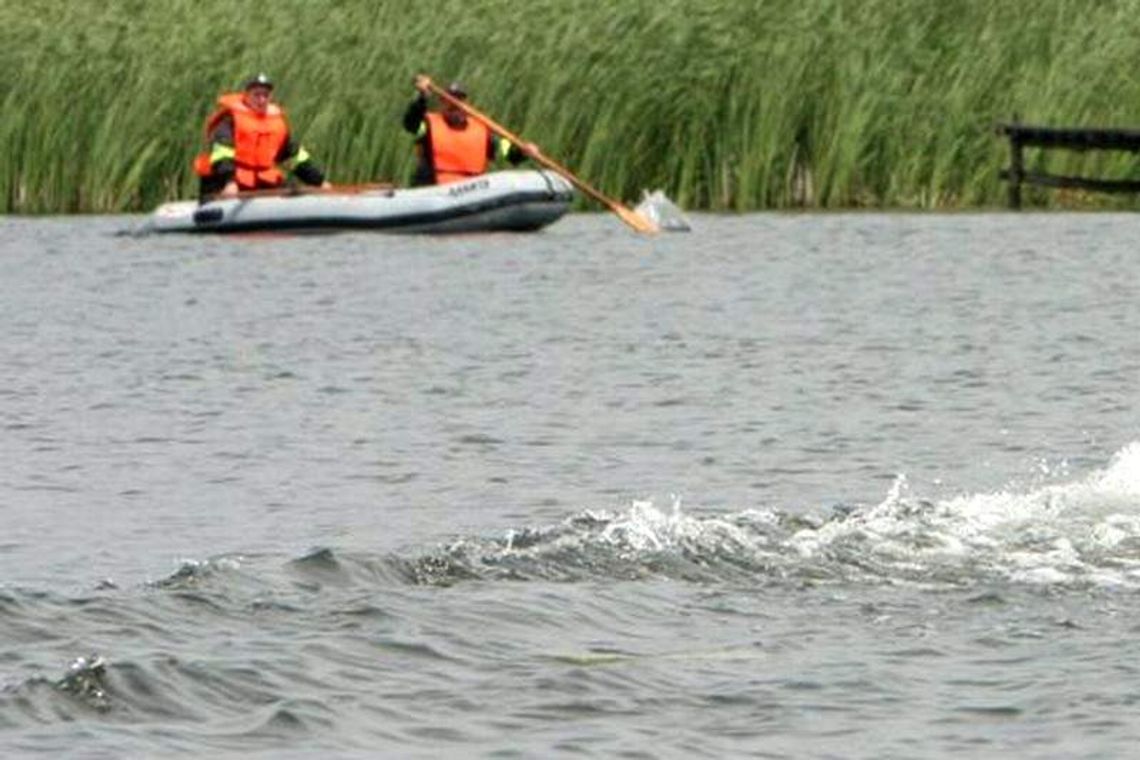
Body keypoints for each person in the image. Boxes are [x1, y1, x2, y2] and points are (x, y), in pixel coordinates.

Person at [193, 74, 331, 199]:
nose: (262, 100)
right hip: (230, 179)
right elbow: (222, 156)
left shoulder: (277, 124)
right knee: (224, 190)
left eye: (266, 95)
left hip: (262, 180)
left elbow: (294, 157)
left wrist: (319, 182)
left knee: (294, 192)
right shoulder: (230, 121)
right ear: (246, 95)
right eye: (256, 95)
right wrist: (229, 183)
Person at [402, 76, 537, 186]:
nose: (455, 105)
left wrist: (523, 152)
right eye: (450, 100)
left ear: (466, 104)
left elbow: (507, 152)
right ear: (442, 103)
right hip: (435, 190)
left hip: (472, 193)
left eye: (459, 100)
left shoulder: (482, 129)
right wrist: (422, 97)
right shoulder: (427, 126)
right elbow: (410, 123)